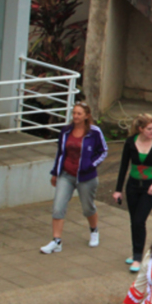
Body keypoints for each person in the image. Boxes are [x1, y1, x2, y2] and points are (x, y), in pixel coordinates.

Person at [42, 102, 107, 254]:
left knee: (87, 207)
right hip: (66, 175)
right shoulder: (65, 131)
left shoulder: (95, 132)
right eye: (74, 113)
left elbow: (103, 151)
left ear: (86, 116)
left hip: (86, 177)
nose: (75, 116)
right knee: (58, 207)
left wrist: (91, 165)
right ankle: (56, 241)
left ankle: (94, 231)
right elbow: (60, 153)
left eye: (79, 113)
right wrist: (54, 173)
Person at [112, 113, 152, 272]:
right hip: (133, 187)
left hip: (149, 188)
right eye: (149, 129)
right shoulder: (130, 142)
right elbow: (123, 167)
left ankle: (138, 258)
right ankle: (136, 252)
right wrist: (118, 190)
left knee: (139, 220)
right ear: (140, 129)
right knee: (134, 221)